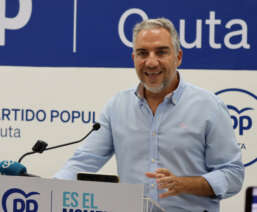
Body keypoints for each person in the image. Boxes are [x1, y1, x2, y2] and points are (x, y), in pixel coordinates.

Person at [54, 18, 244, 212]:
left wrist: (185, 184)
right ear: (133, 59)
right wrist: (50, 190)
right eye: (142, 53)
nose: (151, 62)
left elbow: (233, 174)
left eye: (161, 52)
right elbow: (84, 161)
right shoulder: (117, 106)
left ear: (178, 57)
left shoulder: (208, 106)